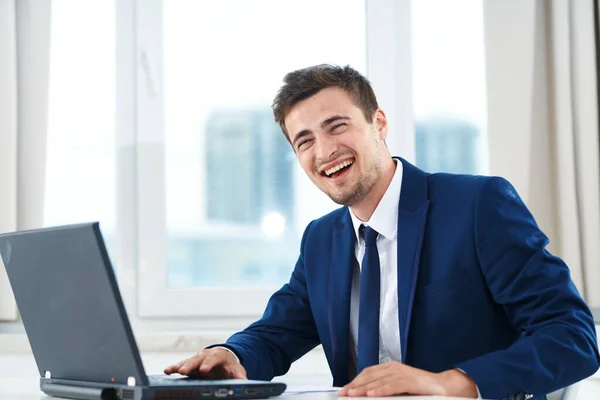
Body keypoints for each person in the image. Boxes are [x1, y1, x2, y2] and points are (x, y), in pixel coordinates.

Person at [164, 64, 600, 399]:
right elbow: (276, 333)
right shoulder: (321, 240)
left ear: (379, 123)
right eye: (305, 140)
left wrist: (451, 383)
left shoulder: (475, 206)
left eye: (337, 126)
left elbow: (574, 336)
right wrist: (233, 355)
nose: (325, 150)